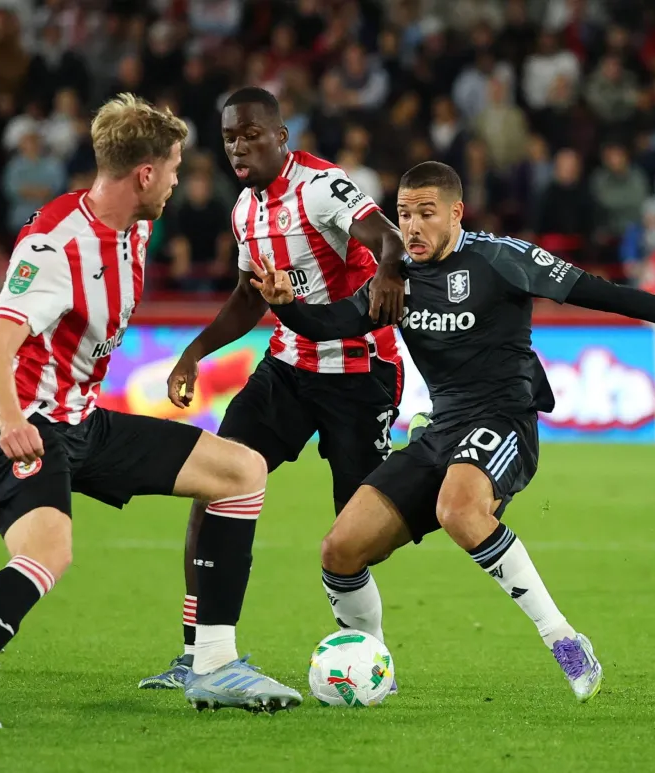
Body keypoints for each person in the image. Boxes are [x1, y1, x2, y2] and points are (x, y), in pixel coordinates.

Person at [248, 161, 655, 703]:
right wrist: (287, 307)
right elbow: (331, 325)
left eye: (426, 213)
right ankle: (376, 668)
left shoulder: (502, 258)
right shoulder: (398, 279)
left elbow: (597, 292)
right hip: (440, 429)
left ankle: (564, 639)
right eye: (403, 215)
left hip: (503, 418)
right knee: (339, 550)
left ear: (456, 213)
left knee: (459, 510)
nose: (412, 227)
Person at [0, 94, 303, 729]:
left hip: (82, 419)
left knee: (241, 471)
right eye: (172, 169)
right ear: (145, 173)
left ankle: (214, 664)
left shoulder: (136, 227)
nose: (176, 182)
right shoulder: (57, 246)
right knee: (47, 554)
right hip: (27, 422)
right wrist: (12, 423)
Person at [139, 87, 409, 690]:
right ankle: (199, 654)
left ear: (281, 137)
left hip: (359, 375)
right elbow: (247, 298)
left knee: (355, 537)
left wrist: (390, 270)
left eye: (251, 134)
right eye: (229, 137)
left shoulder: (321, 186)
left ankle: (371, 655)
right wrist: (194, 353)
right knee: (213, 485)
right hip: (285, 372)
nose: (238, 146)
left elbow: (388, 237)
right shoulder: (244, 209)